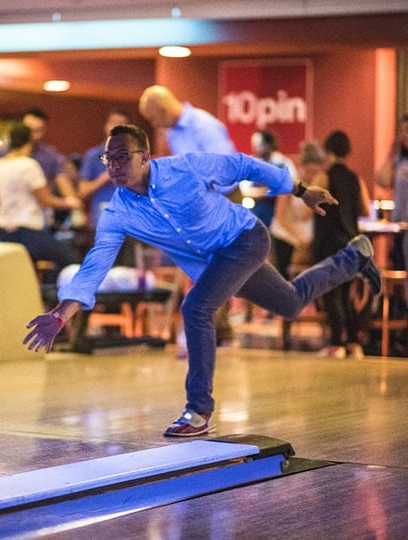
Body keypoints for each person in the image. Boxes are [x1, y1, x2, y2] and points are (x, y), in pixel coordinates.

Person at [23, 124, 381, 437]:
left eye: (121, 157)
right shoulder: (118, 212)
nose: (114, 166)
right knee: (289, 302)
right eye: (108, 159)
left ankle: (199, 411)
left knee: (195, 308)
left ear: (145, 156)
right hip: (214, 261)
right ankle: (355, 257)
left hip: (244, 239)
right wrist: (60, 315)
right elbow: (96, 263)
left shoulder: (187, 168)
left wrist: (300, 189)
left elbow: (243, 164)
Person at [140, 85, 239, 350]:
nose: (154, 125)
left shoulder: (204, 126)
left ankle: (210, 333)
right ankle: (217, 332)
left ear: (161, 108)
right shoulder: (174, 133)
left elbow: (226, 172)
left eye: (152, 119)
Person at [0, 123, 83, 273]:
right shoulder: (29, 165)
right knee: (70, 259)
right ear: (29, 142)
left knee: (22, 272)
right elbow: (45, 200)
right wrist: (69, 202)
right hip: (28, 229)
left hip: (4, 228)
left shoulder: (0, 164)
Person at [311, 131, 371, 359]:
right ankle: (354, 342)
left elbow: (311, 208)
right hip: (352, 243)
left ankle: (336, 342)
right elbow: (365, 210)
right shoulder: (356, 179)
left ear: (327, 151)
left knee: (331, 295)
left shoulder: (323, 177)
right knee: (348, 295)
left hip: (328, 243)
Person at [0, 107, 77, 224]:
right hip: (24, 220)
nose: (33, 135)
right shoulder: (3, 156)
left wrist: (72, 199)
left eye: (38, 130)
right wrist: (68, 203)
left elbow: (61, 180)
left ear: (44, 131)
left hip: (27, 218)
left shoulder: (49, 155)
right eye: (29, 130)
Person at [269, 141, 324, 279]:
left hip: (305, 241)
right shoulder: (290, 184)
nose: (312, 176)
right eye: (310, 171)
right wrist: (298, 239)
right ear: (301, 166)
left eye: (316, 173)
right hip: (285, 237)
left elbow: (308, 214)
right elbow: (280, 217)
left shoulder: (317, 187)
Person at [79, 109, 132, 228]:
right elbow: (82, 191)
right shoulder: (92, 155)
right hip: (102, 220)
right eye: (113, 123)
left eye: (122, 125)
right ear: (106, 126)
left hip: (129, 220)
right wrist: (105, 177)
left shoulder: (135, 156)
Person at [375, 113, 408, 276]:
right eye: (402, 131)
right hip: (399, 227)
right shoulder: (399, 160)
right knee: (399, 272)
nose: (405, 135)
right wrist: (392, 152)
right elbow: (382, 180)